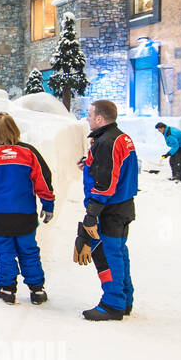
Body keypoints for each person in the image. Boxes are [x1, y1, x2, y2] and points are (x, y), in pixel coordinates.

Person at [0, 112, 54, 304]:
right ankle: (37, 290)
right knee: (29, 250)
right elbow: (43, 180)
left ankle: (7, 289)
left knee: (3, 250)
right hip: (24, 212)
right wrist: (48, 204)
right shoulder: (28, 152)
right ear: (15, 129)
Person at [79, 99, 139, 321]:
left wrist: (92, 212)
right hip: (123, 205)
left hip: (110, 208)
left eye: (90, 114)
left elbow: (106, 183)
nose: (88, 118)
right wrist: (89, 164)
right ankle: (125, 300)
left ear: (100, 118)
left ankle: (112, 304)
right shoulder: (120, 137)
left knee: (108, 254)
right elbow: (115, 168)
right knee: (120, 253)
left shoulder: (106, 142)